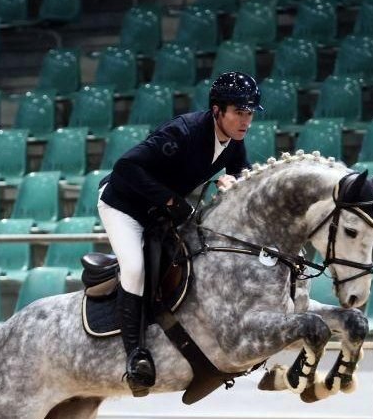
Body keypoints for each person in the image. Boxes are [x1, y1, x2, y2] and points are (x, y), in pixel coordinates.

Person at [98, 71, 261, 393]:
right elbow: (125, 167)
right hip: (123, 205)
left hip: (163, 211)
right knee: (134, 268)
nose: (246, 121)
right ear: (217, 110)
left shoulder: (232, 141)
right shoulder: (181, 133)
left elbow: (239, 170)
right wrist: (174, 202)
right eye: (239, 112)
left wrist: (232, 181)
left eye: (250, 113)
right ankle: (135, 356)